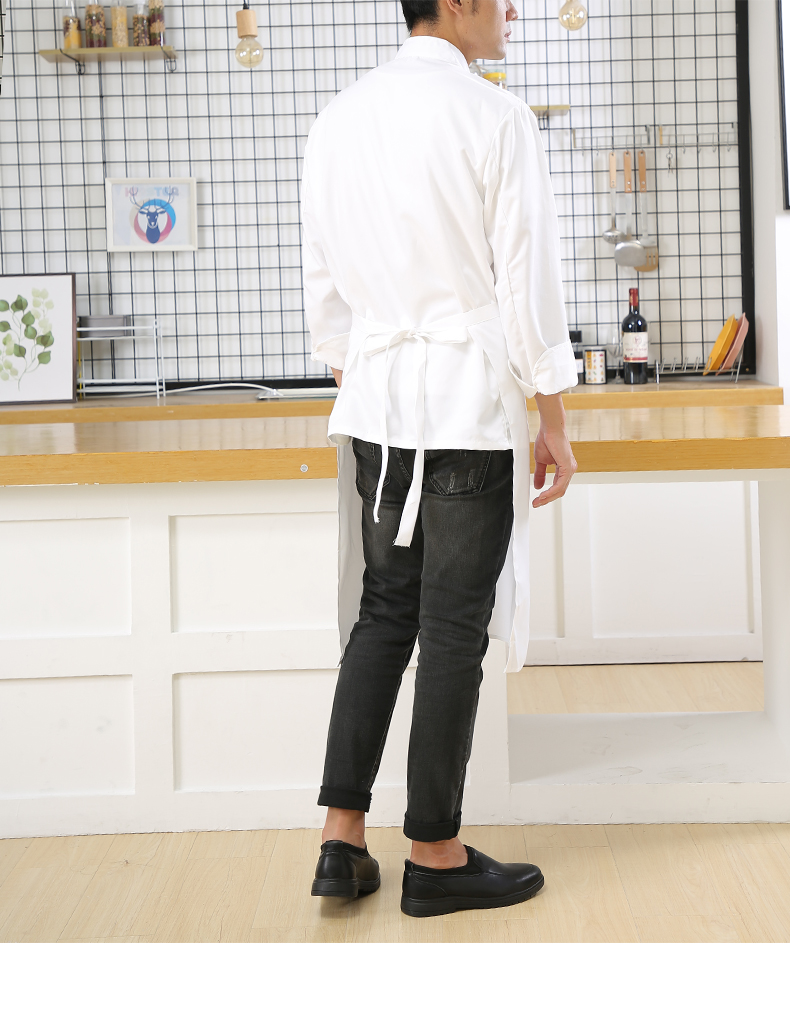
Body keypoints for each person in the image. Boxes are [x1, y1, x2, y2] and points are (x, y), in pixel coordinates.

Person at [301, 0, 578, 918]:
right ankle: (435, 853)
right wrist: (553, 413)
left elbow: (324, 287)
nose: (513, 10)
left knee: (383, 612)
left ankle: (342, 841)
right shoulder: (495, 116)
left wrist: (369, 380)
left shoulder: (339, 118)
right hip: (467, 404)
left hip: (377, 405)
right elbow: (527, 280)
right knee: (453, 626)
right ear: (455, 4)